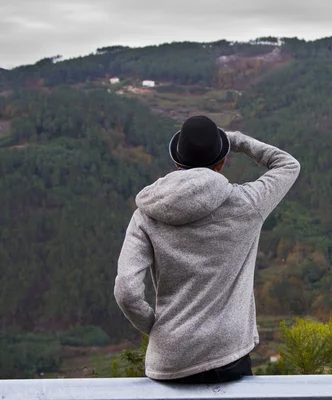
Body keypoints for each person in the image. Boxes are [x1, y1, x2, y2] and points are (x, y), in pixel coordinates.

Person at [114, 115, 300, 383]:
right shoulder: (248, 204)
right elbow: (287, 165)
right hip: (229, 355)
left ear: (177, 161)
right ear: (222, 162)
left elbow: (126, 292)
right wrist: (234, 140)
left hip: (170, 361)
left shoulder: (145, 215)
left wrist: (158, 331)